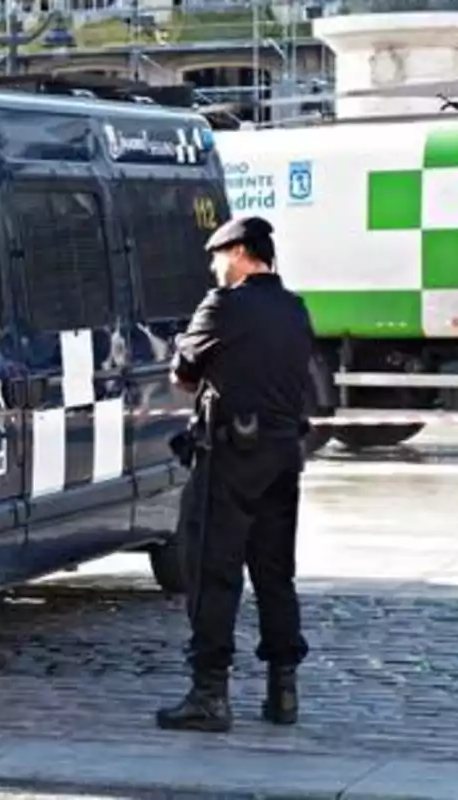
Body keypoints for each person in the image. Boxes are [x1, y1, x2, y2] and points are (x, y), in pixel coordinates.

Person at [155, 215, 313, 733]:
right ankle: (283, 692)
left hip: (229, 458)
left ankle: (209, 695)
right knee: (274, 571)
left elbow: (183, 375)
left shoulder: (222, 305)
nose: (213, 265)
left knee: (212, 570)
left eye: (218, 254)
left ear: (242, 252)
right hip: (283, 455)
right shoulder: (295, 310)